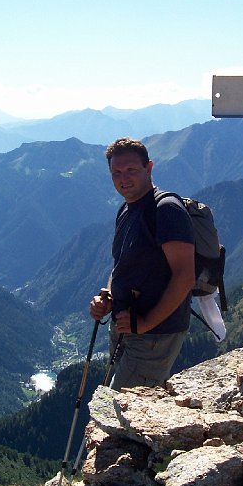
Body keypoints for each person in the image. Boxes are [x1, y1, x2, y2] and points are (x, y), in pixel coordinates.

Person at [89, 137, 195, 390]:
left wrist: (146, 323)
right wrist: (107, 297)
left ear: (149, 168)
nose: (123, 178)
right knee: (117, 402)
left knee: (121, 409)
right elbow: (121, 266)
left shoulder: (166, 210)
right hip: (126, 325)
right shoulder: (127, 209)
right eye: (116, 173)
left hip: (154, 334)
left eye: (131, 171)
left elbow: (185, 276)